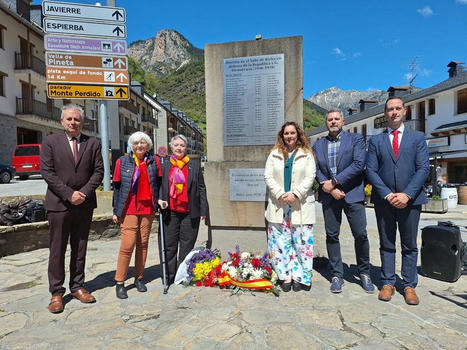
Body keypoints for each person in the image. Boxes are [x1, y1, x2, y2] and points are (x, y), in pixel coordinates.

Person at [40, 104, 104, 313]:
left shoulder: (93, 143)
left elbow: (98, 172)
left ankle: (77, 286)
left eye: (76, 119)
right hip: (59, 204)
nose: (73, 123)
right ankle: (56, 292)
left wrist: (82, 193)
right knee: (57, 249)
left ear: (82, 122)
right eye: (69, 119)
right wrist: (69, 194)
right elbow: (47, 172)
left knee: (80, 247)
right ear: (62, 122)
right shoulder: (51, 142)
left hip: (84, 205)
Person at [366, 96, 429, 305]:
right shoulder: (376, 141)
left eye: (397, 108)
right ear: (385, 114)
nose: (394, 112)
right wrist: (387, 194)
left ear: (404, 111)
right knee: (386, 242)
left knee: (410, 244)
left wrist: (406, 194)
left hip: (410, 201)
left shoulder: (417, 138)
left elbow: (423, 169)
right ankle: (387, 282)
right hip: (385, 201)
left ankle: (409, 285)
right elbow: (371, 171)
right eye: (390, 109)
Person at [312, 110, 373, 294]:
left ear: (343, 121)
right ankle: (337, 274)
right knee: (332, 236)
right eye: (329, 119)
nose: (333, 122)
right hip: (330, 197)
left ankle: (364, 273)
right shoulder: (318, 144)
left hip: (352, 194)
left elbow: (358, 165)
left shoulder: (356, 140)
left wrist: (334, 182)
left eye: (336, 119)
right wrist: (330, 188)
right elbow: (315, 169)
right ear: (326, 123)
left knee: (360, 234)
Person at [264, 121, 316, 292]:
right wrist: (280, 194)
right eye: (286, 133)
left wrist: (296, 194)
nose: (289, 136)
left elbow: (310, 176)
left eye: (292, 133)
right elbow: (268, 177)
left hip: (300, 205)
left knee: (302, 243)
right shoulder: (274, 154)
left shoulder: (306, 154)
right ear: (282, 135)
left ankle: (300, 277)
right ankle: (285, 276)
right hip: (279, 205)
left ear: (298, 134)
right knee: (280, 243)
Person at [112, 132, 159, 299]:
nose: (140, 145)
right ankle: (120, 282)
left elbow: (158, 184)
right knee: (128, 244)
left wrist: (159, 201)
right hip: (129, 207)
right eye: (137, 143)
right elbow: (117, 187)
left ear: (148, 145)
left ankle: (139, 278)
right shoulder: (122, 161)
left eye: (143, 143)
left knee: (143, 243)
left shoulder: (154, 161)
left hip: (147, 208)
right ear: (131, 145)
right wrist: (115, 210)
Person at [158, 135, 208, 285]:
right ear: (171, 147)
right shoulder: (165, 165)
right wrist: (159, 200)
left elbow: (201, 188)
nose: (179, 148)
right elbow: (158, 186)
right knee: (169, 245)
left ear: (186, 148)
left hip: (189, 212)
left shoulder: (193, 166)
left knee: (187, 245)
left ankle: (182, 275)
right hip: (170, 212)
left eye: (182, 145)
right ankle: (169, 276)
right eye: (176, 145)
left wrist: (203, 210)